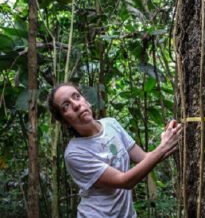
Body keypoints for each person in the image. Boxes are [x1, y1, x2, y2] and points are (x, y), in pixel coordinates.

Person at [47, 82, 181, 217]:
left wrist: (171, 140)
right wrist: (164, 147)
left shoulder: (111, 124)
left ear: (86, 101)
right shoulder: (74, 153)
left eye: (76, 97)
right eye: (66, 105)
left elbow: (145, 159)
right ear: (64, 121)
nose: (76, 105)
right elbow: (124, 181)